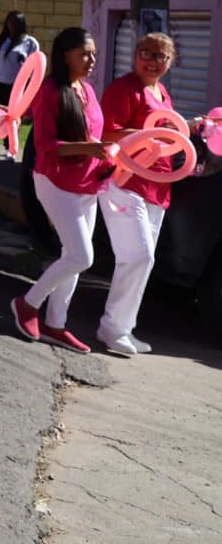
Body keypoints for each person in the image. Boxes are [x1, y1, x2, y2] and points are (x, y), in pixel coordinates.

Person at [9, 28, 111, 355]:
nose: (92, 59)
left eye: (93, 53)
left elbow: (96, 133)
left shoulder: (87, 90)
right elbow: (45, 146)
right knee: (82, 256)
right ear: (65, 54)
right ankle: (27, 304)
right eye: (85, 53)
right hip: (54, 182)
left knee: (73, 257)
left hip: (88, 183)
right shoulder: (51, 90)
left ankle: (56, 323)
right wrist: (86, 147)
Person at [96, 32, 195, 355]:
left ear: (170, 61)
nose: (152, 61)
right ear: (134, 54)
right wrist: (156, 135)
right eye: (146, 53)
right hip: (125, 183)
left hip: (157, 186)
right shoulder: (123, 90)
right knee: (139, 257)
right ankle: (112, 328)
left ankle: (123, 328)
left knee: (140, 262)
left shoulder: (161, 91)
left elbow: (167, 132)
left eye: (160, 56)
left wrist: (188, 129)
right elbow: (108, 132)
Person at [0, 11, 40, 105]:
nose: (12, 25)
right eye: (10, 21)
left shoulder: (30, 43)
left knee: (14, 115)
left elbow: (34, 68)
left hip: (17, 87)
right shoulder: (1, 40)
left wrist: (29, 86)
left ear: (21, 24)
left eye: (15, 22)